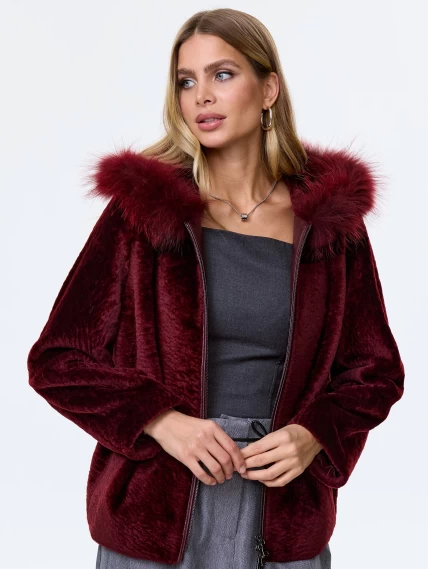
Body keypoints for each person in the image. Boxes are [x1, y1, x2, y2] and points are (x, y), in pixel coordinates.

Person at [27, 8, 405, 569]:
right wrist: (161, 421)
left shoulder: (327, 223)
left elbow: (375, 371)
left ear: (268, 89)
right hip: (156, 511)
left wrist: (314, 435)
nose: (201, 95)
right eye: (187, 81)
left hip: (283, 513)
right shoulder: (145, 213)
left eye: (222, 74)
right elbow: (58, 359)